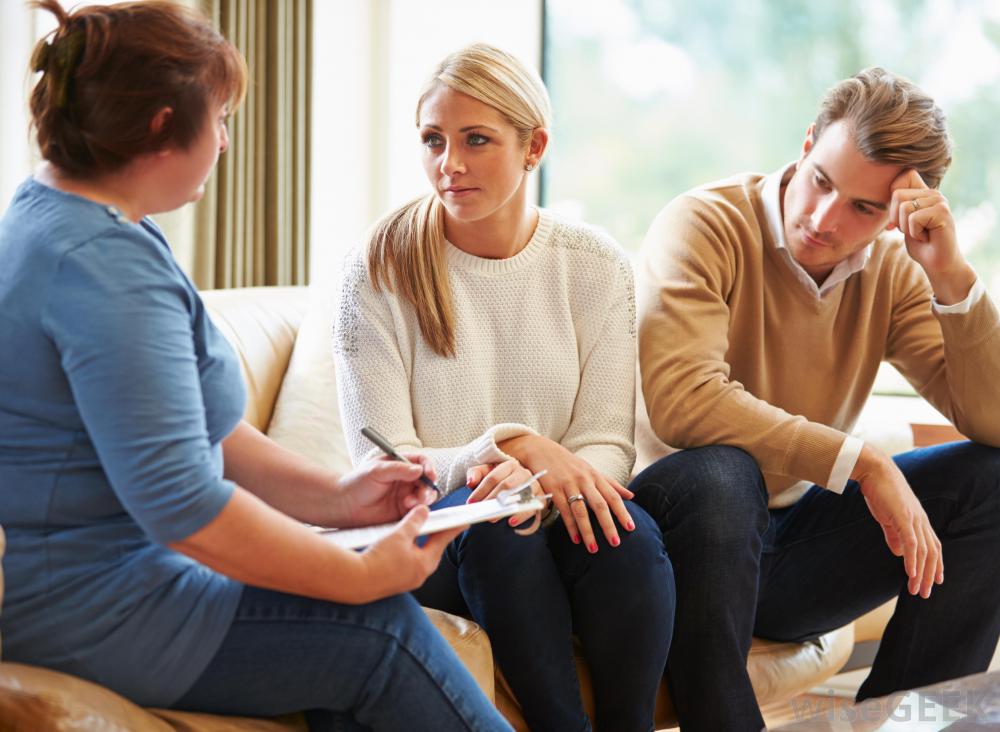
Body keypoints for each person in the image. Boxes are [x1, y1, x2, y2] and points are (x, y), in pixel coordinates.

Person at [0, 3, 513, 730]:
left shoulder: (62, 217)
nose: (226, 142)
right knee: (376, 631)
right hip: (91, 606)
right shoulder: (104, 269)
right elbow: (182, 504)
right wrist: (359, 572)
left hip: (86, 584)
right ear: (159, 126)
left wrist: (340, 496)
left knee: (349, 627)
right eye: (219, 119)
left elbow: (197, 433)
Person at [631, 66, 1000, 730]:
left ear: (899, 214)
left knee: (995, 480)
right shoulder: (704, 223)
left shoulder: (894, 269)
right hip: (674, 541)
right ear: (806, 147)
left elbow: (993, 422)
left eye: (864, 207)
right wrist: (863, 462)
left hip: (783, 548)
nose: (825, 219)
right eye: (823, 182)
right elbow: (684, 401)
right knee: (724, 472)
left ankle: (908, 725)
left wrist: (950, 275)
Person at [333, 43, 675, 732]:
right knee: (499, 526)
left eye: (475, 140)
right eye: (434, 140)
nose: (448, 164)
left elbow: (606, 441)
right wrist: (506, 449)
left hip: (548, 508)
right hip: (434, 533)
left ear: (534, 147)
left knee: (629, 537)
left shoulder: (594, 266)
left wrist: (544, 477)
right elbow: (384, 461)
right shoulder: (378, 269)